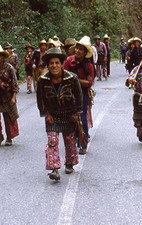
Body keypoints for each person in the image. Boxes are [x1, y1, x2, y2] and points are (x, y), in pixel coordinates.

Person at [37, 47, 83, 181]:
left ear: (61, 64)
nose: (54, 66)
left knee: (69, 140)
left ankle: (69, 163)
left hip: (69, 114)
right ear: (48, 65)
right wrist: (46, 113)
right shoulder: (42, 80)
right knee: (52, 140)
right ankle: (54, 168)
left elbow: (79, 97)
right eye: (51, 63)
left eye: (57, 63)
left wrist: (75, 113)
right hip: (52, 115)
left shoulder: (72, 78)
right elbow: (40, 99)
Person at [63, 36, 95, 155]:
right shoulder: (68, 61)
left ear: (85, 52)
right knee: (70, 119)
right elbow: (63, 76)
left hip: (82, 95)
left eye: (81, 49)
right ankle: (73, 141)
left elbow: (89, 83)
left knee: (82, 119)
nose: (77, 51)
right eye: (77, 48)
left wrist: (75, 79)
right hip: (68, 93)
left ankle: (83, 143)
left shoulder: (89, 66)